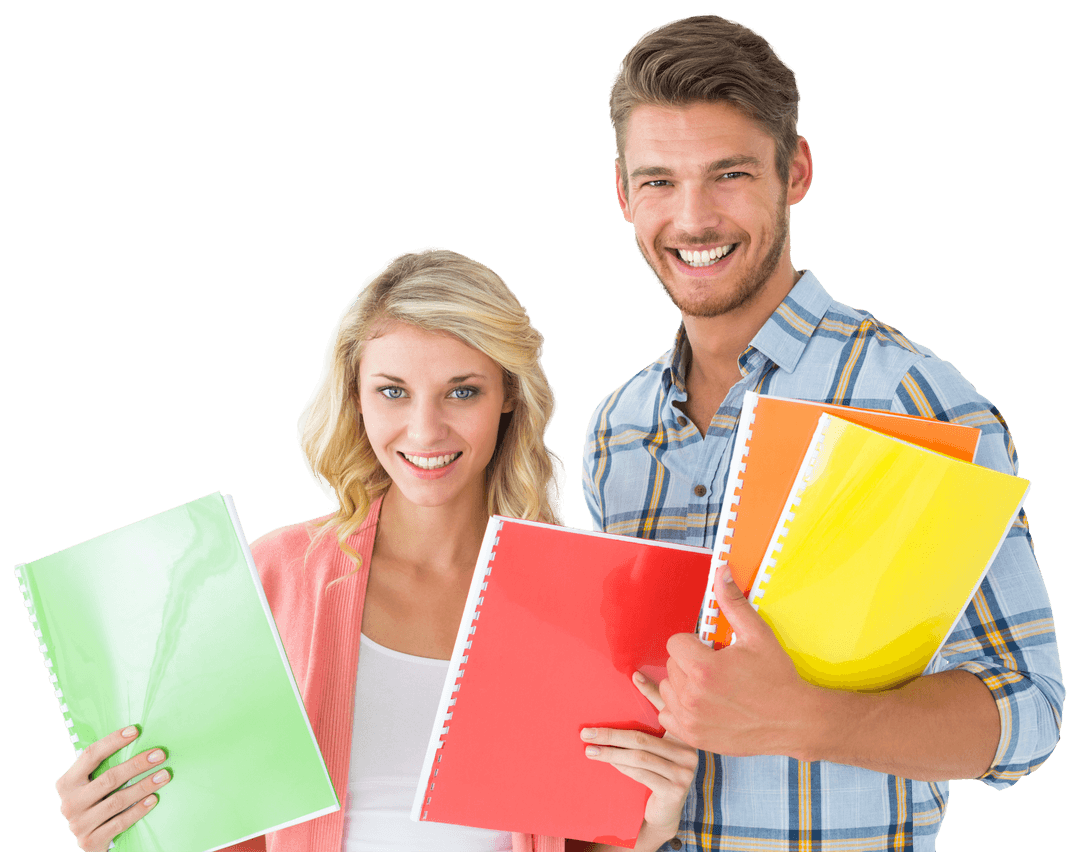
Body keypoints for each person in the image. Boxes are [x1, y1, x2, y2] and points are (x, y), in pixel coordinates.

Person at [582, 15, 1065, 852]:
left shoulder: (912, 400)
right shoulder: (615, 429)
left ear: (794, 171)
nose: (693, 219)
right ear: (623, 193)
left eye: (728, 173)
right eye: (658, 181)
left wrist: (803, 720)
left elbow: (1031, 709)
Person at [54, 248, 698, 852]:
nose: (426, 430)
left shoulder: (579, 601)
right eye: (393, 391)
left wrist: (652, 826)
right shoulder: (274, 576)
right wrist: (120, 827)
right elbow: (210, 821)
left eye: (462, 390)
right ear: (355, 398)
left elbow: (583, 835)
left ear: (508, 397)